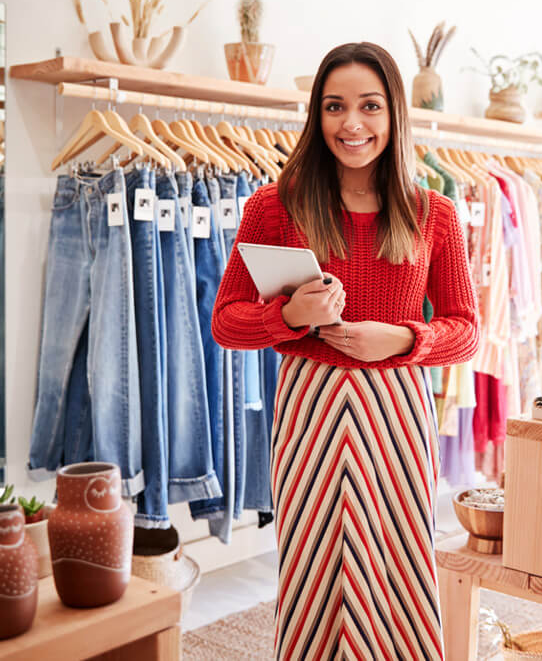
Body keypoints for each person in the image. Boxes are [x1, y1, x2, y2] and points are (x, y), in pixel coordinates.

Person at [212, 41, 479, 660]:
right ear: (317, 114)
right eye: (335, 107)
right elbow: (226, 323)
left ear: (394, 115)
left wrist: (406, 338)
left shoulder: (433, 214)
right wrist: (289, 315)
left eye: (369, 106)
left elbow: (467, 329)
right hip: (310, 408)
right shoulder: (273, 207)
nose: (351, 124)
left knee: (396, 562)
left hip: (399, 411)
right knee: (314, 561)